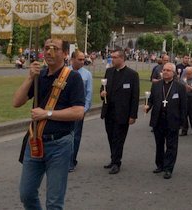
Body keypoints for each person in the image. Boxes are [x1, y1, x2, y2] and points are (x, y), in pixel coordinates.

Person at [13, 38, 85, 210]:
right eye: (46, 48)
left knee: (54, 202)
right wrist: (30, 77)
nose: (49, 52)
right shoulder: (39, 76)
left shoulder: (73, 78)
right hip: (35, 141)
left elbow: (78, 112)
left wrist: (48, 113)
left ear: (65, 53)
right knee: (27, 194)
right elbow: (17, 102)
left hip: (60, 144)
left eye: (55, 48)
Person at [100, 49, 140, 174]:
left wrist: (133, 115)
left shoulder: (132, 75)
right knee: (111, 137)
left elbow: (135, 97)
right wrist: (102, 93)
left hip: (123, 113)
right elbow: (103, 88)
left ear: (122, 58)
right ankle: (113, 159)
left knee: (119, 138)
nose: (112, 59)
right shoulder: (109, 71)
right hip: (109, 111)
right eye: (111, 57)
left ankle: (117, 162)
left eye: (115, 57)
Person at [145, 63, 187, 179]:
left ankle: (168, 168)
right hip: (158, 119)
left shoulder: (180, 87)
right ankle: (160, 164)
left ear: (173, 73)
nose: (165, 72)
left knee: (171, 146)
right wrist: (147, 107)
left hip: (173, 120)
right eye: (164, 70)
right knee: (159, 144)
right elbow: (151, 100)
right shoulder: (156, 85)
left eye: (168, 70)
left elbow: (183, 106)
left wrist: (183, 123)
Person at [69, 50, 93, 172]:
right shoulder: (65, 72)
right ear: (72, 59)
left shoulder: (87, 74)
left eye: (83, 59)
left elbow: (89, 93)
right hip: (65, 110)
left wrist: (85, 109)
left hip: (78, 110)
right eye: (80, 59)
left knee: (76, 136)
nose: (82, 61)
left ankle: (72, 160)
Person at [179, 66, 192, 136]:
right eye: (187, 73)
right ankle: (184, 130)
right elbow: (179, 88)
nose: (188, 75)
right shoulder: (182, 79)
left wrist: (191, 89)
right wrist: (184, 88)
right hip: (185, 98)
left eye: (190, 74)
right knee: (184, 114)